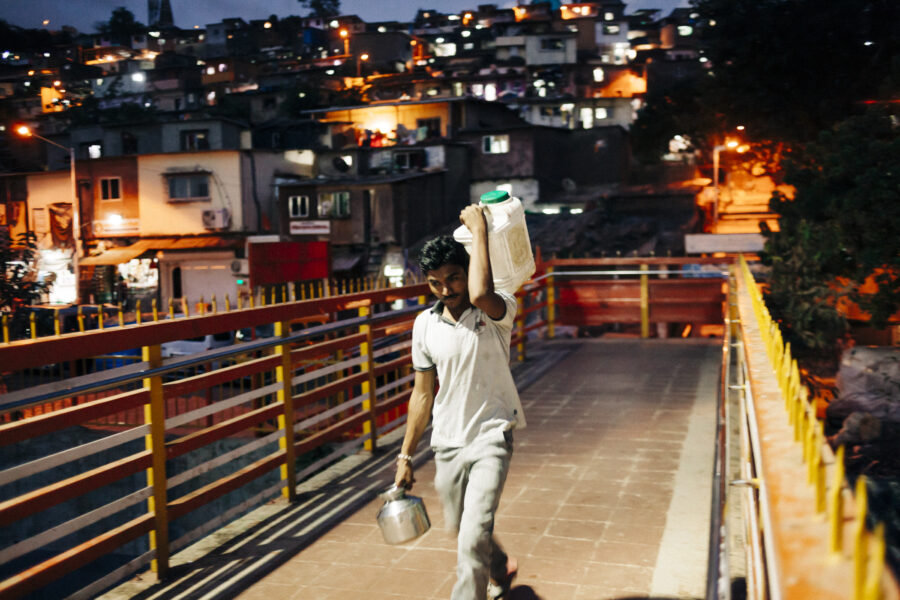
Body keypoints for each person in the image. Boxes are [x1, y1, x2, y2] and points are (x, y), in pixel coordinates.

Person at [395, 204, 525, 600]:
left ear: (469, 270)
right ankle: (500, 566)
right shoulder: (425, 324)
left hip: (491, 435)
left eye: (454, 278)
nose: (447, 289)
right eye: (436, 283)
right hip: (448, 440)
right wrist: (404, 457)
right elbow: (421, 394)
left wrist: (480, 230)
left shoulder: (498, 308)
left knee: (470, 539)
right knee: (460, 523)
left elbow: (481, 291)